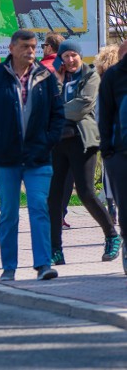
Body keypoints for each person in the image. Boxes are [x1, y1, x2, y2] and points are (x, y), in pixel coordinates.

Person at [0, 30, 64, 282]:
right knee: (9, 212)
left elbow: (58, 115)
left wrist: (48, 142)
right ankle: (9, 267)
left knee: (39, 208)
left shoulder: (46, 76)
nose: (31, 51)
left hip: (38, 157)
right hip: (7, 157)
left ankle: (43, 264)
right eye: (25, 46)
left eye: (34, 47)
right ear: (11, 48)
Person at [47, 39, 121, 265]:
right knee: (54, 198)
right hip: (58, 142)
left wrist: (56, 110)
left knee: (86, 192)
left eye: (73, 55)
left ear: (80, 56)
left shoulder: (91, 76)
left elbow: (83, 105)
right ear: (60, 58)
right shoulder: (55, 78)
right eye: (65, 56)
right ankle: (55, 250)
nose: (70, 60)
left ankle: (111, 234)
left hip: (83, 141)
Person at [97, 40, 127, 276]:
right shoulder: (114, 77)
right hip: (120, 153)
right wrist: (108, 152)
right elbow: (105, 116)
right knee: (125, 207)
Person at [94, 44, 121, 224]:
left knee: (108, 173)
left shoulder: (100, 83)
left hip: (108, 136)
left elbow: (98, 114)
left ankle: (111, 207)